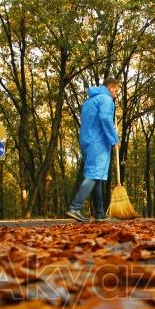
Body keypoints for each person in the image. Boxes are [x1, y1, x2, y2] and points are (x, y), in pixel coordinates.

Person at [66, 78, 121, 222]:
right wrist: (114, 139)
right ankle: (75, 207)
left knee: (96, 176)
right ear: (110, 88)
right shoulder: (106, 99)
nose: (116, 94)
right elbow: (105, 118)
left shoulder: (89, 101)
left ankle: (99, 213)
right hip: (98, 141)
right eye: (116, 91)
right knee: (94, 174)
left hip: (87, 140)